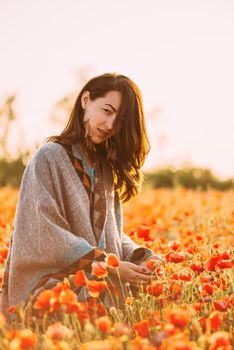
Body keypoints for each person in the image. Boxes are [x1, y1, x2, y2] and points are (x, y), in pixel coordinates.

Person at [1, 73, 163, 317]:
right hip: (52, 293)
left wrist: (142, 258)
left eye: (119, 120)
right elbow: (45, 233)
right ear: (86, 100)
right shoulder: (49, 157)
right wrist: (111, 266)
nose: (110, 125)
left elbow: (110, 237)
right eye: (107, 111)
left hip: (96, 293)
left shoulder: (104, 169)